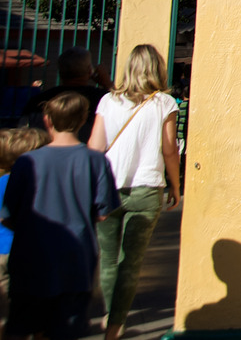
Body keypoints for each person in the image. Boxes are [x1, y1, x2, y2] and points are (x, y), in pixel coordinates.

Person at [2, 93, 121, 340]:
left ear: (47, 120)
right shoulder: (96, 161)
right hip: (75, 261)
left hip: (29, 261)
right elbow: (103, 214)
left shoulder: (26, 162)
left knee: (22, 326)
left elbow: (7, 215)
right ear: (82, 120)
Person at [87, 44, 183, 340]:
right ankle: (116, 325)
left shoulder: (107, 101)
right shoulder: (165, 103)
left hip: (108, 189)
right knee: (131, 262)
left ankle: (107, 315)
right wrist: (175, 185)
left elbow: (95, 147)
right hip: (146, 188)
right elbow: (169, 149)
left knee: (109, 258)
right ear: (157, 69)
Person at [0, 127, 48, 328]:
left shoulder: (2, 182)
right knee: (34, 314)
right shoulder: (40, 183)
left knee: (3, 314)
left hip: (2, 253)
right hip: (31, 253)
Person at [23, 47, 109, 142]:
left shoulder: (39, 100)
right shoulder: (102, 99)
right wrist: (107, 83)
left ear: (60, 72)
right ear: (90, 71)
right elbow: (122, 105)